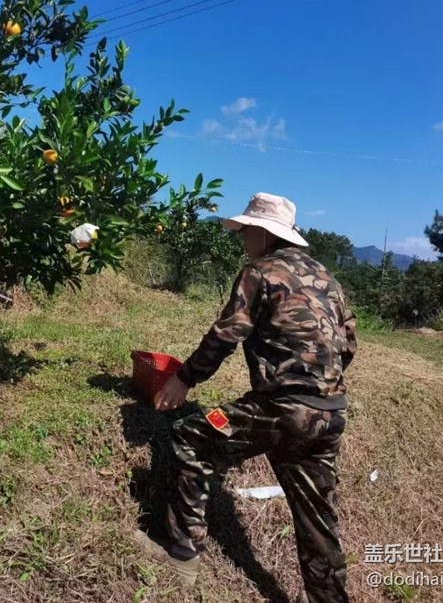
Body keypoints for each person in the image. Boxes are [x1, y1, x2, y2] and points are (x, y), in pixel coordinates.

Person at [134, 192, 356, 603]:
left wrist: (183, 379)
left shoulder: (260, 271)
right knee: (317, 519)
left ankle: (182, 552)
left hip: (281, 409)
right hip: (330, 413)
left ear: (264, 233)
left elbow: (227, 333)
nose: (243, 238)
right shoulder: (328, 279)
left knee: (191, 437)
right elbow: (349, 346)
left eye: (246, 231)